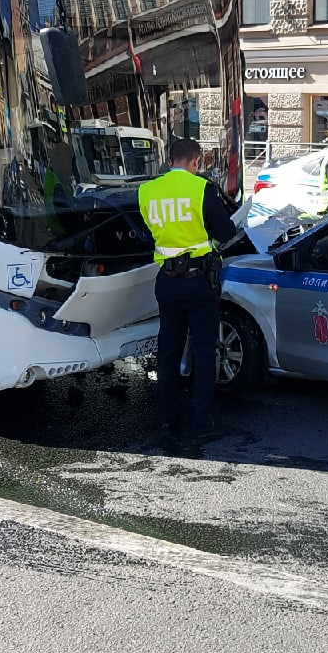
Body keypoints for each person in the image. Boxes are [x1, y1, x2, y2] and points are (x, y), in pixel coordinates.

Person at [138, 136, 240, 444]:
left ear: (170, 160)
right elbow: (225, 232)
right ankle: (202, 421)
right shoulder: (201, 189)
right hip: (199, 281)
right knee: (205, 351)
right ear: (196, 161)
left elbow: (148, 233)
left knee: (168, 351)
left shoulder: (147, 191)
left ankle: (168, 420)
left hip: (166, 281)